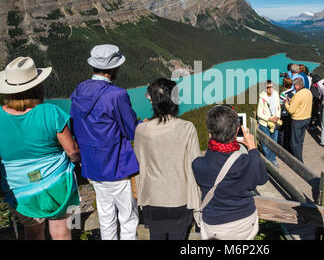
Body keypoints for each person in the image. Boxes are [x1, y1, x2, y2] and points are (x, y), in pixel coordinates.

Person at [0, 57, 80, 240]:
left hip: (19, 188)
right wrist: (77, 162)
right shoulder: (50, 112)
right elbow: (72, 151)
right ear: (37, 87)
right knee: (62, 230)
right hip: (57, 183)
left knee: (33, 232)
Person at [70, 44, 140, 240]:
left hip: (92, 166)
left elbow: (74, 125)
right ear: (113, 69)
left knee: (106, 214)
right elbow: (131, 129)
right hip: (116, 165)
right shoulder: (116, 95)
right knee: (128, 217)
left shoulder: (79, 91)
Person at [134, 78, 202, 240]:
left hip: (153, 200)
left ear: (154, 103)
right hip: (180, 199)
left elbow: (139, 161)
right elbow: (196, 165)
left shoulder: (142, 130)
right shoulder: (187, 128)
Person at [192, 105, 269, 240]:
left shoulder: (199, 165)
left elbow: (214, 162)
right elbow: (262, 178)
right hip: (245, 222)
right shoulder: (247, 161)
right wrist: (252, 147)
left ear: (210, 133)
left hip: (215, 226)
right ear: (237, 131)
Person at [284, 78, 313, 163]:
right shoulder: (308, 92)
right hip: (307, 118)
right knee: (300, 141)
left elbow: (291, 110)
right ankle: (299, 157)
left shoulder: (298, 95)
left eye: (294, 86)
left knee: (293, 143)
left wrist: (286, 103)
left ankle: (299, 162)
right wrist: (291, 101)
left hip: (298, 120)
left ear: (297, 85)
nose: (294, 87)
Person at [257, 80, 282, 167]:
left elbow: (278, 107)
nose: (270, 89)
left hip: (275, 122)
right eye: (268, 87)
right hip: (264, 124)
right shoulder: (262, 98)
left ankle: (273, 159)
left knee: (274, 142)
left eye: (271, 86)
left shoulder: (276, 94)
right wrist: (269, 119)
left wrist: (277, 117)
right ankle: (268, 160)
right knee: (265, 144)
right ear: (265, 88)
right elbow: (259, 113)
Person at [278, 78, 295, 152]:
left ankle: (283, 148)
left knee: (283, 132)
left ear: (284, 84)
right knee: (289, 131)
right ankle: (289, 147)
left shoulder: (283, 94)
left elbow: (279, 105)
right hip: (292, 114)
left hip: (284, 115)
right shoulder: (295, 92)